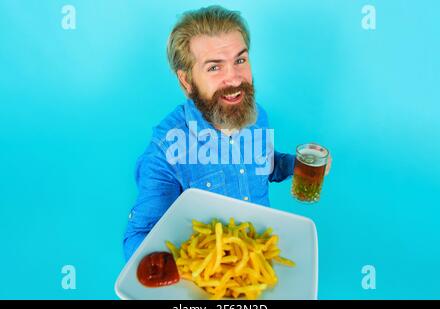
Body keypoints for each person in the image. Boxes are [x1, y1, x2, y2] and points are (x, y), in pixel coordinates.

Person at [123, 5, 331, 261]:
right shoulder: (165, 151)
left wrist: (294, 165)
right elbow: (138, 238)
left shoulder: (256, 115)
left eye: (240, 60)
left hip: (262, 260)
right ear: (186, 81)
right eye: (214, 67)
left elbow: (263, 163)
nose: (234, 79)